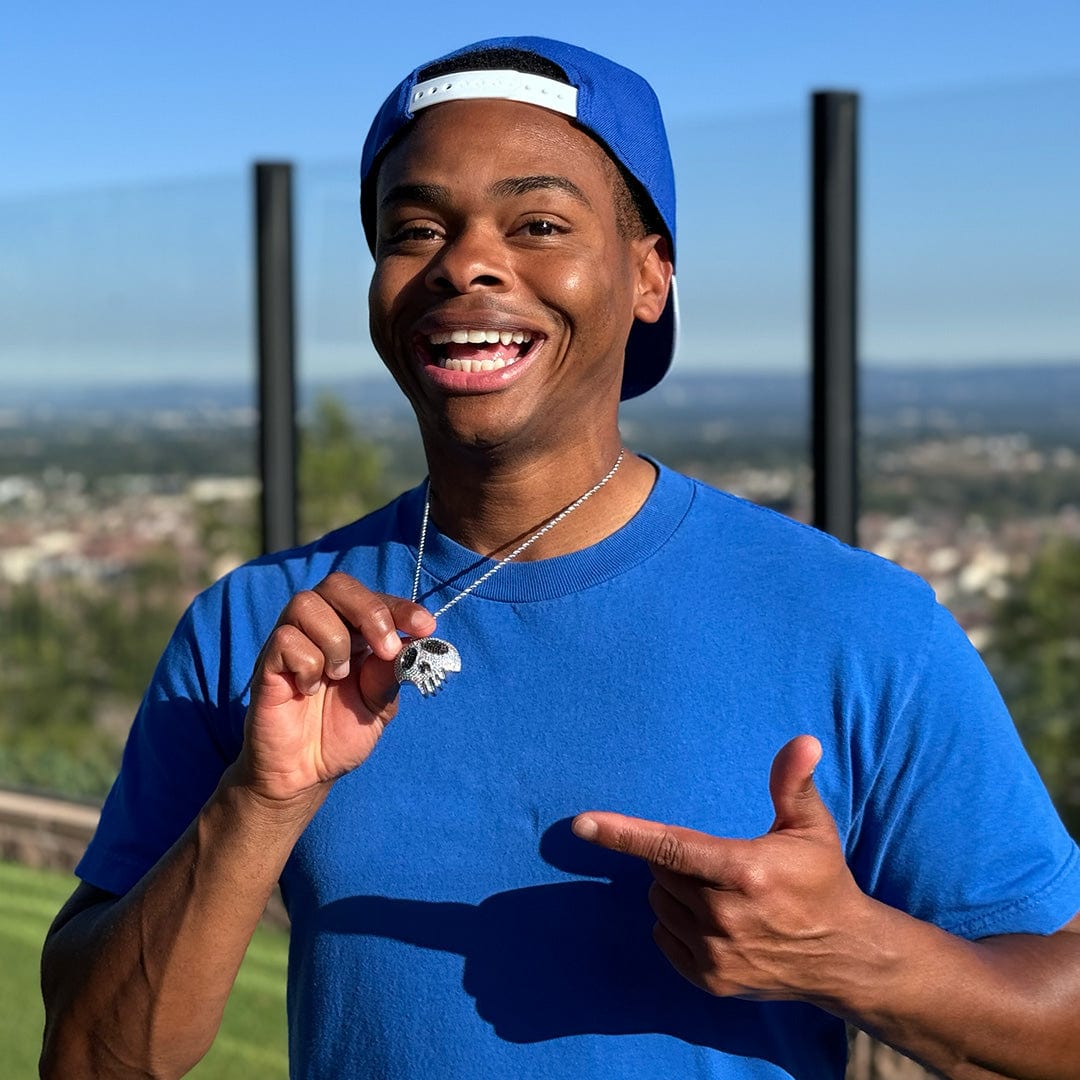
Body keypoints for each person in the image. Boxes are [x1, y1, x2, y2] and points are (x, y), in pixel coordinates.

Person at [41, 36, 1080, 1080]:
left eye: (537, 223)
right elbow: (92, 1057)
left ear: (650, 273)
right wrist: (259, 802)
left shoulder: (858, 623)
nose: (463, 264)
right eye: (414, 229)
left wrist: (857, 957)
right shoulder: (263, 630)